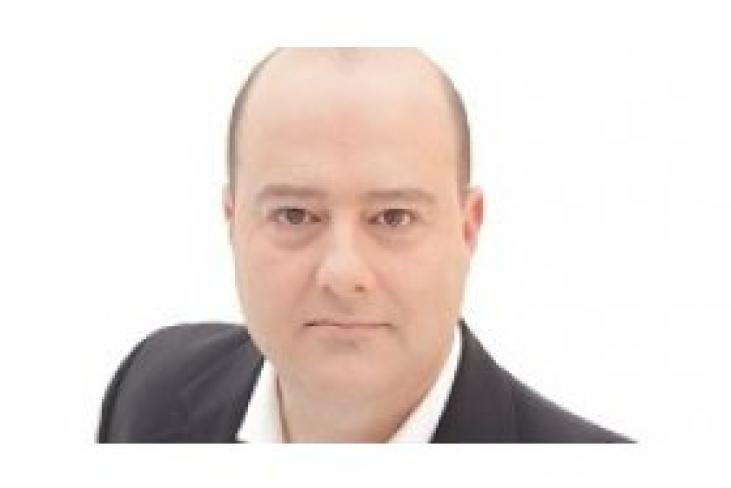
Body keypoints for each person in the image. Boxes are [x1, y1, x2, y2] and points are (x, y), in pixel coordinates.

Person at [97, 47, 632, 443]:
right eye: (294, 215)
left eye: (394, 218)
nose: (343, 273)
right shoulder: (148, 391)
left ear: (467, 230)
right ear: (232, 223)